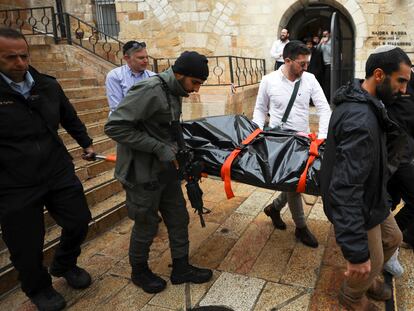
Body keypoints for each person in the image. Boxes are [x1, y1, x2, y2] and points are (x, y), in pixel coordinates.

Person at [0, 28, 94, 311]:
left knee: (79, 220)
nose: (20, 63)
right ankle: (38, 288)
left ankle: (64, 263)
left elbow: (69, 116)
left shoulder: (47, 85)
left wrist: (86, 143)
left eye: (24, 56)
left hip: (57, 170)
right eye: (10, 58)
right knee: (25, 245)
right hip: (13, 182)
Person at [104, 51, 213, 294]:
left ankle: (181, 268)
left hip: (165, 170)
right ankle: (139, 271)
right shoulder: (150, 89)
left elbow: (166, 128)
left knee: (178, 217)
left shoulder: (174, 90)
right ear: (180, 74)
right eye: (195, 83)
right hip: (141, 173)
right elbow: (115, 127)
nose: (196, 90)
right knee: (146, 223)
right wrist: (159, 148)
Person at [320, 46, 411, 310]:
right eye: (401, 81)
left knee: (393, 238)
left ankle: (368, 279)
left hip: (373, 195)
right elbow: (346, 188)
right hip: (359, 204)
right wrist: (356, 254)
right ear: (380, 75)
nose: (404, 90)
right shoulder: (360, 119)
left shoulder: (367, 100)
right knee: (372, 256)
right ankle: (352, 297)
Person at [253, 40, 331, 248]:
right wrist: (255, 133)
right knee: (294, 185)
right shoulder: (268, 80)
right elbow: (260, 109)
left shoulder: (310, 80)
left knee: (294, 182)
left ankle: (274, 208)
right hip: (277, 140)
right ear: (287, 61)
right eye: (302, 64)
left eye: (307, 63)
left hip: (302, 140)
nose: (306, 68)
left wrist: (322, 137)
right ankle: (301, 227)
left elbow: (324, 109)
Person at [105, 40, 156, 114]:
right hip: (123, 122)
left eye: (147, 57)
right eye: (141, 58)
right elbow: (117, 108)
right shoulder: (115, 76)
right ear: (127, 58)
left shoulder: (153, 76)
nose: (146, 61)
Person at [318, 30, 332, 102]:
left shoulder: (331, 42)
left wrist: (326, 44)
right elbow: (318, 50)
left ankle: (328, 99)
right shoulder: (322, 41)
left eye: (326, 34)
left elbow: (331, 53)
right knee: (323, 82)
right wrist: (320, 43)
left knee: (328, 83)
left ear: (329, 34)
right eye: (324, 34)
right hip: (323, 65)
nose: (325, 35)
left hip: (330, 64)